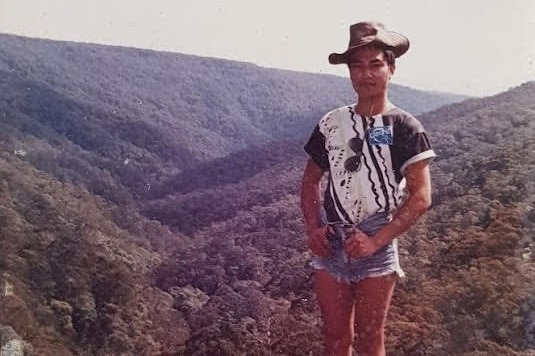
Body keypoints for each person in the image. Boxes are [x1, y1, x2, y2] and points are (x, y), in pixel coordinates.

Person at [300, 22, 436, 356]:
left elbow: (420, 197)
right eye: (357, 66)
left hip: (376, 241)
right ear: (349, 72)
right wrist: (313, 227)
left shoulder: (405, 127)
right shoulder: (332, 123)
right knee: (334, 337)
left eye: (375, 64)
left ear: (391, 67)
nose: (367, 74)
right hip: (331, 239)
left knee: (370, 338)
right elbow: (309, 181)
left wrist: (376, 240)